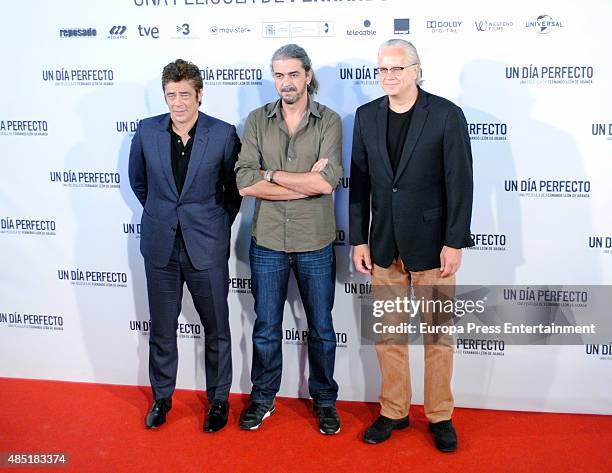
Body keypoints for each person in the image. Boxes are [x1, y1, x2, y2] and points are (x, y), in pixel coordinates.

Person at [349, 39, 474, 451]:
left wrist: (454, 242)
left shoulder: (445, 115)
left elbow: (460, 183)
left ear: (416, 70)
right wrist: (359, 238)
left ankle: (439, 415)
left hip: (433, 248)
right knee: (388, 335)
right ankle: (394, 410)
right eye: (382, 69)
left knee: (438, 336)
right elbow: (360, 184)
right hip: (383, 245)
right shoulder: (366, 116)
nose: (388, 76)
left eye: (397, 68)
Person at [234, 44, 343, 435]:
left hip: (315, 241)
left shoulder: (329, 120)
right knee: (265, 327)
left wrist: (271, 175)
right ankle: (263, 397)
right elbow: (245, 183)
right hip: (267, 242)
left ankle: (325, 402)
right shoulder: (257, 120)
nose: (286, 83)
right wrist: (302, 184)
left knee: (322, 329)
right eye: (279, 75)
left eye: (293, 74)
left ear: (308, 75)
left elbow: (326, 182)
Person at [128, 59, 241, 433]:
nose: (177, 103)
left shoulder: (223, 134)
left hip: (205, 246)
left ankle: (219, 400)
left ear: (199, 95)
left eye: (184, 95)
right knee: (162, 328)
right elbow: (139, 184)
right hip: (161, 245)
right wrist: (165, 216)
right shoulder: (146, 132)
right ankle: (162, 398)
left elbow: (233, 192)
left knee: (217, 327)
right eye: (170, 95)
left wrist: (215, 223)